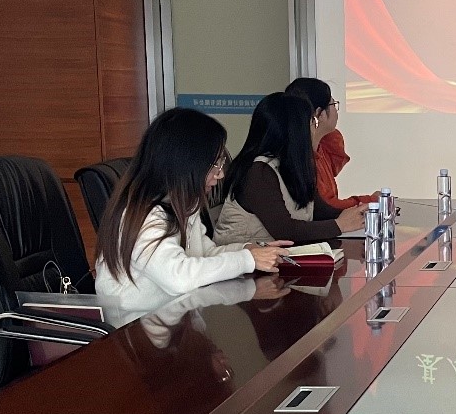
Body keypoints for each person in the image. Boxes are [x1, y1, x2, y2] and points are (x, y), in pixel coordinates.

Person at [95, 108, 289, 315]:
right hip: (135, 327)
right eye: (215, 164)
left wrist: (249, 250)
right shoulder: (145, 215)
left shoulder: (183, 205)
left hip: (175, 320)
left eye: (221, 163)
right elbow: (178, 277)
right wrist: (247, 260)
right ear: (185, 164)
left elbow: (204, 255)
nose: (220, 174)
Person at [213, 92, 366, 246]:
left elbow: (319, 211)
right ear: (295, 131)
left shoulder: (292, 165)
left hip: (278, 254)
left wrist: (359, 215)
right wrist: (339, 225)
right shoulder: (258, 171)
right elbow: (285, 230)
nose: (314, 129)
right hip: (244, 257)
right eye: (312, 122)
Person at [285, 77, 380, 211]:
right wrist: (371, 201)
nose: (336, 110)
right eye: (333, 104)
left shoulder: (321, 146)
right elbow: (328, 206)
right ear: (319, 114)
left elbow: (337, 161)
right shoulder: (301, 159)